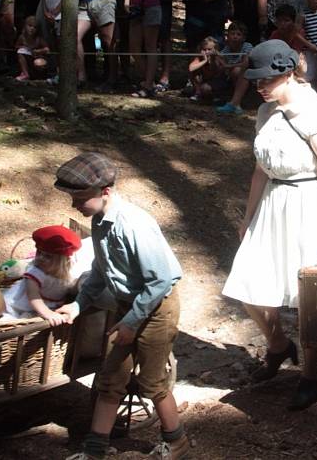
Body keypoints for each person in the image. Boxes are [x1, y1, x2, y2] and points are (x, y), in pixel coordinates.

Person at [222, 39, 317, 411]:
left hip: (310, 205)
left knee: (311, 299)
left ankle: (312, 374)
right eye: (257, 80)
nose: (260, 87)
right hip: (273, 203)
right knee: (249, 285)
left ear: (288, 72)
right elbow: (260, 170)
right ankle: (278, 344)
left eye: (266, 80)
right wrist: (248, 217)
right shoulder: (267, 111)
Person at [53, 152, 189, 460]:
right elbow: (101, 272)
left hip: (156, 308)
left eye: (78, 197)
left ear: (105, 191)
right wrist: (77, 306)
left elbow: (160, 280)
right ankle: (95, 450)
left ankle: (177, 440)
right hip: (129, 306)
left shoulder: (133, 224)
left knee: (152, 382)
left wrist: (131, 323)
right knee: (109, 379)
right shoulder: (100, 221)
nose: (74, 204)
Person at [125, 0, 182, 98]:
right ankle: (147, 78)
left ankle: (148, 84)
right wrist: (126, 2)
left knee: (151, 46)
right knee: (134, 48)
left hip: (153, 8)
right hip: (136, 9)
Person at [2, 225, 84, 324]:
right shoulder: (36, 272)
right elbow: (33, 296)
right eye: (39, 253)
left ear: (63, 261)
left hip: (44, 308)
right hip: (18, 306)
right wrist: (48, 313)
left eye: (48, 256)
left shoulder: (68, 273)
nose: (41, 258)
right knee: (10, 319)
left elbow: (73, 286)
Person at [216, 21, 254, 115]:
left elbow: (245, 63)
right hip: (230, 79)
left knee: (237, 71)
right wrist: (216, 57)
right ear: (228, 36)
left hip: (249, 77)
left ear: (243, 37)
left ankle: (236, 103)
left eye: (238, 34)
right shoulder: (226, 50)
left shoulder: (247, 46)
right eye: (232, 34)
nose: (235, 36)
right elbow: (220, 67)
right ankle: (235, 102)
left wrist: (227, 66)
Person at [188, 36, 226, 102]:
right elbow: (191, 68)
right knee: (194, 72)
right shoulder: (200, 58)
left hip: (215, 81)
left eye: (209, 49)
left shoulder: (219, 57)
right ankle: (198, 93)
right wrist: (204, 61)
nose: (206, 52)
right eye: (204, 49)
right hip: (204, 80)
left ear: (215, 50)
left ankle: (216, 96)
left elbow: (215, 71)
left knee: (206, 88)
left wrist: (213, 60)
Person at [15, 15, 50, 81]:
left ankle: (39, 76)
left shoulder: (39, 39)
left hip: (37, 57)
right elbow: (16, 47)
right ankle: (25, 74)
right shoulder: (22, 38)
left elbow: (47, 49)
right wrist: (25, 48)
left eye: (35, 27)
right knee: (20, 52)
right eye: (30, 26)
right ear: (25, 26)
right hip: (27, 58)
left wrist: (38, 51)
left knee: (38, 63)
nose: (32, 28)